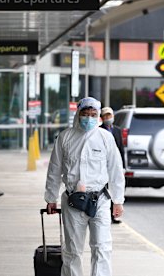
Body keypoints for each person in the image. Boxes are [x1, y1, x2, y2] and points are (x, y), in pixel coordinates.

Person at [44, 97, 125, 276]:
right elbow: (54, 169)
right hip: (73, 201)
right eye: (85, 114)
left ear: (98, 117)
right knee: (72, 251)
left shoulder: (105, 137)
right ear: (78, 114)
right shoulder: (65, 137)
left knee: (102, 247)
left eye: (93, 114)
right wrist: (51, 198)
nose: (89, 118)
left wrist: (118, 200)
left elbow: (116, 170)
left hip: (100, 201)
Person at [99, 107, 125, 224]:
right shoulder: (99, 131)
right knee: (106, 192)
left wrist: (123, 166)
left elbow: (121, 149)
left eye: (109, 115)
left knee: (116, 189)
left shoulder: (118, 130)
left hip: (116, 165)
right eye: (105, 116)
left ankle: (114, 215)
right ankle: (107, 215)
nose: (108, 118)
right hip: (103, 167)